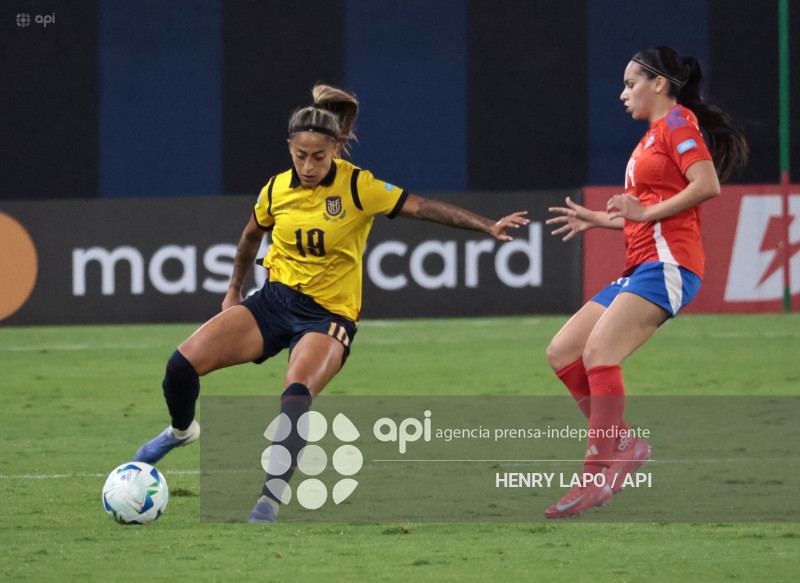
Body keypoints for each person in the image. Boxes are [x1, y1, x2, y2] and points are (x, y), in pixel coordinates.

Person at [132, 84, 530, 522]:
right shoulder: (275, 190)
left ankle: (269, 500)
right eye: (299, 155)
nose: (307, 165)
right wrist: (233, 289)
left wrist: (487, 225)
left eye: (318, 157)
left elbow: (425, 207)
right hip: (273, 302)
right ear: (289, 148)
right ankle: (181, 430)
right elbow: (250, 237)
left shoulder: (360, 187)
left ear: (336, 148)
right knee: (179, 366)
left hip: (327, 317)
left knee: (296, 394)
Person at [544, 46, 748, 519]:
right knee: (563, 351)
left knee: (598, 353)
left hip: (671, 265)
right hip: (642, 265)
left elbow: (708, 185)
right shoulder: (652, 138)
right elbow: (646, 215)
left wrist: (643, 211)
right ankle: (626, 446)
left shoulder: (678, 124)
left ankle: (598, 472)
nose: (622, 94)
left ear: (659, 84)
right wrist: (601, 219)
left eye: (630, 83)